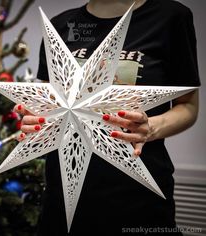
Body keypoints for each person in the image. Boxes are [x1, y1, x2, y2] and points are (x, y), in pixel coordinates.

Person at [14, 0, 200, 235]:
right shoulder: (60, 25)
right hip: (63, 196)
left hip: (137, 196)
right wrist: (37, 120)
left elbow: (188, 107)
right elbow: (47, 107)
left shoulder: (171, 17)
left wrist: (151, 127)